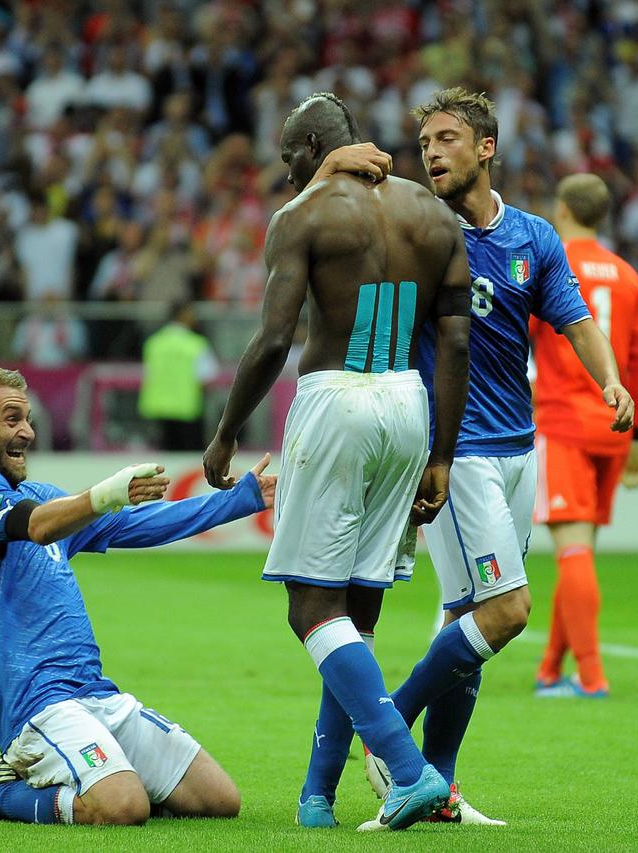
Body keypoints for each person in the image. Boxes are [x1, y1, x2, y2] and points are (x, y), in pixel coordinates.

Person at [314, 88, 632, 824]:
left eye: (447, 138)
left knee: (469, 618)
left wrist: (610, 377)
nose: (431, 151)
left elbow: (574, 319)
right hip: (454, 453)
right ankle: (388, 726)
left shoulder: (533, 237)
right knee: (507, 609)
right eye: (425, 141)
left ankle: (437, 789)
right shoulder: (417, 231)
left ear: (486, 147)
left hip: (520, 448)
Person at [202, 92, 473, 831]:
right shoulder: (431, 213)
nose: (286, 171)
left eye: (291, 154)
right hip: (408, 405)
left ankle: (411, 772)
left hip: (336, 398)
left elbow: (270, 341)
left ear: (316, 144)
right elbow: (454, 343)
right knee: (357, 610)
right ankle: (317, 797)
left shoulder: (303, 216)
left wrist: (225, 433)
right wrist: (441, 454)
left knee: (311, 607)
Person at [0, 366, 275, 826]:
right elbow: (34, 526)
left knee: (217, 800)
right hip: (40, 704)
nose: (28, 431)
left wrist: (240, 499)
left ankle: (102, 776)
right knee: (122, 808)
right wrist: (103, 494)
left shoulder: (40, 496)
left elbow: (134, 525)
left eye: (28, 418)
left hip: (94, 693)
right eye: (12, 418)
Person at [531, 173, 638, 698]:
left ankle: (590, 676)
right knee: (580, 553)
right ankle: (549, 670)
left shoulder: (549, 265)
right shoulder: (628, 276)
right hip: (616, 426)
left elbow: (523, 346)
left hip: (564, 422)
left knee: (572, 552)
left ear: (562, 210)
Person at [139, 302, 219, 451]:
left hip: (158, 408)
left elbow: (148, 374)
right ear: (183, 316)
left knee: (166, 455)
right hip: (187, 409)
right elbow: (207, 378)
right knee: (189, 458)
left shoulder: (154, 343)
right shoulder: (196, 344)